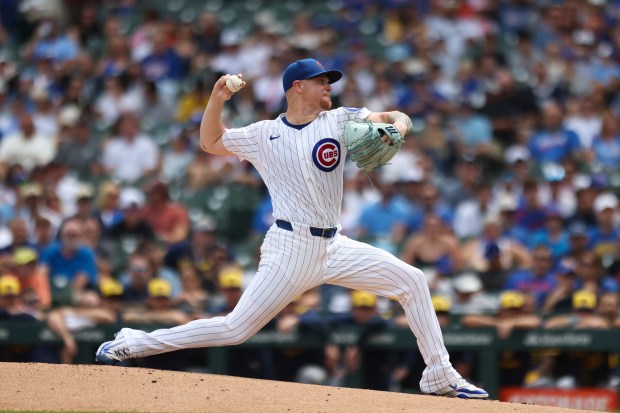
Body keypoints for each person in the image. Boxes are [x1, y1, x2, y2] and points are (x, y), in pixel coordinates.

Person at [95, 58, 488, 398]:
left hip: (335, 246)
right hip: (290, 247)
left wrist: (400, 127)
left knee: (413, 281)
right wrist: (217, 99)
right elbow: (210, 142)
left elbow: (393, 117)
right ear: (298, 87)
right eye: (321, 81)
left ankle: (439, 375)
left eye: (328, 80)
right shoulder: (264, 133)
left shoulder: (340, 118)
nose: (328, 86)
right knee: (235, 329)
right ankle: (134, 342)